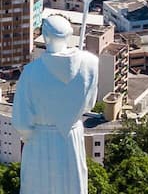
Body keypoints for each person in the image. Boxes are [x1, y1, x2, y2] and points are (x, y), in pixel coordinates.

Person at [12, 14, 102, 194]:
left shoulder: (31, 72)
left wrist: (29, 137)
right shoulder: (91, 64)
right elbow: (89, 104)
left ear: (45, 37)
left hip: (40, 140)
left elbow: (21, 122)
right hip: (71, 136)